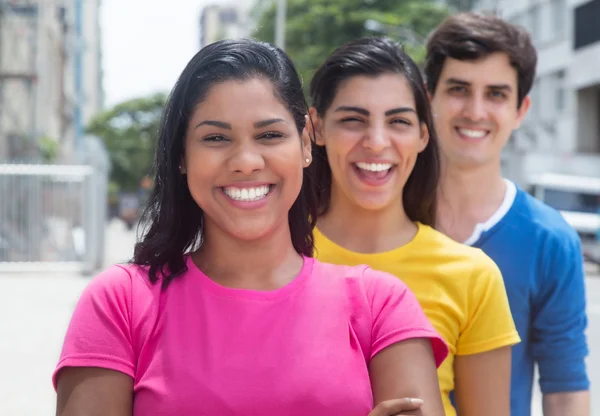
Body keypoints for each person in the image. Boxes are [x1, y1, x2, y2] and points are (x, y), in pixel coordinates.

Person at [52, 38, 449, 416]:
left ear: (306, 144)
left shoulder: (380, 305)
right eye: (216, 138)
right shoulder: (119, 303)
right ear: (181, 156)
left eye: (270, 135)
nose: (246, 160)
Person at [306, 36, 520, 416]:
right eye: (353, 120)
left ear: (423, 135)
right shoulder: (275, 256)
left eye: (398, 121)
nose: (376, 142)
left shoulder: (473, 276)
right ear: (317, 129)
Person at [424, 12, 590, 416]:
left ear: (521, 110)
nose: (476, 111)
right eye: (459, 89)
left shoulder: (550, 239)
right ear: (428, 97)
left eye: (496, 94)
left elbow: (565, 391)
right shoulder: (381, 216)